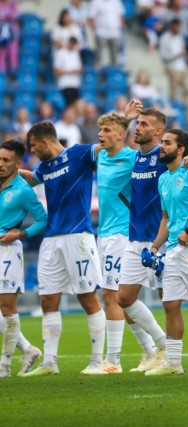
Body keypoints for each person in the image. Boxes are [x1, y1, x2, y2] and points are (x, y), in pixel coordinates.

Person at [19, 122, 106, 376]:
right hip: (51, 239)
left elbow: (106, 147)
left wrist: (125, 118)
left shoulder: (79, 154)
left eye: (34, 147)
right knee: (48, 299)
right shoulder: (45, 167)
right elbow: (33, 177)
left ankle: (97, 360)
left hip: (78, 237)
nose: (33, 152)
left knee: (87, 297)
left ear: (45, 142)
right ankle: (50, 362)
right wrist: (14, 170)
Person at [79, 111, 143, 375]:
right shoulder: (101, 157)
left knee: (111, 295)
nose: (100, 135)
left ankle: (113, 361)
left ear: (120, 134)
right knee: (122, 301)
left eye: (106, 131)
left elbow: (161, 163)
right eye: (100, 130)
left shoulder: (133, 158)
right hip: (103, 233)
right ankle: (152, 349)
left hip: (122, 234)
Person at [144, 129, 188, 376]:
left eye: (166, 143)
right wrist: (154, 246)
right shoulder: (162, 179)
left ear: (181, 149)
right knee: (170, 304)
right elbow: (165, 218)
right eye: (161, 142)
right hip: (172, 249)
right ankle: (173, 362)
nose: (161, 146)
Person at [117, 107, 170, 373]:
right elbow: (112, 142)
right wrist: (125, 118)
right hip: (135, 240)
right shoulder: (134, 158)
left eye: (143, 124)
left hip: (161, 240)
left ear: (158, 132)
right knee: (124, 298)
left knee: (169, 300)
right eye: (137, 123)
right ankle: (161, 347)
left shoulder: (165, 156)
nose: (137, 128)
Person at [0, 140, 46, 378]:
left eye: (6, 160)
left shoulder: (23, 190)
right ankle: (28, 349)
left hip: (8, 250)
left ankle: (4, 366)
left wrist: (19, 233)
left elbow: (43, 219)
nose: (0, 164)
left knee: (8, 309)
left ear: (18, 163)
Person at [159, 19, 188, 108]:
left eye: (179, 26)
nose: (177, 28)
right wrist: (176, 55)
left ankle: (185, 107)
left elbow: (183, 49)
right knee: (174, 91)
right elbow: (163, 55)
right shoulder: (164, 38)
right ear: (171, 26)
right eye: (176, 26)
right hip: (172, 67)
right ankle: (174, 108)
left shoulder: (180, 37)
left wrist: (183, 55)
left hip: (182, 66)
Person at [88, 0, 125, 66]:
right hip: (101, 33)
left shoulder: (116, 2)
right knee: (99, 55)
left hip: (115, 33)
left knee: (114, 55)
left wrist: (120, 27)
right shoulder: (96, 2)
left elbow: (121, 16)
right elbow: (92, 16)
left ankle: (113, 71)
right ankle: (98, 71)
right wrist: (94, 30)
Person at [54, 36, 83, 108]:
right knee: (69, 105)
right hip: (65, 84)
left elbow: (80, 69)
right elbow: (56, 71)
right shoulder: (60, 53)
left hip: (75, 84)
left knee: (76, 105)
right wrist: (69, 71)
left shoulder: (76, 53)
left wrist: (75, 71)